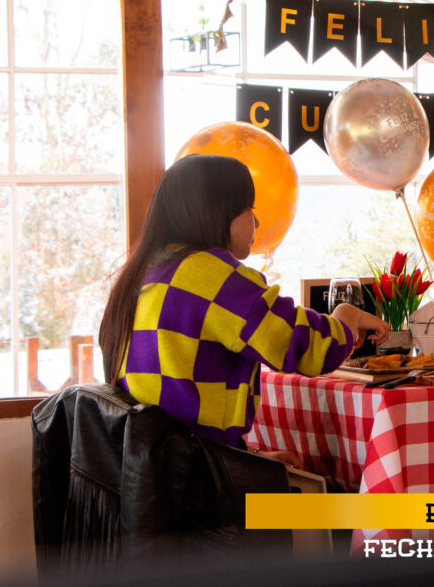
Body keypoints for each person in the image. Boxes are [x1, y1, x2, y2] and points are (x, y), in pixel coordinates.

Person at [99, 154, 389, 465]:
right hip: (198, 494)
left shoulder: (139, 277)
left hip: (153, 483)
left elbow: (175, 404)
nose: (257, 222)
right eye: (249, 209)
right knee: (355, 508)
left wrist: (250, 456)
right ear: (217, 212)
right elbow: (311, 349)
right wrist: (348, 314)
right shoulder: (209, 275)